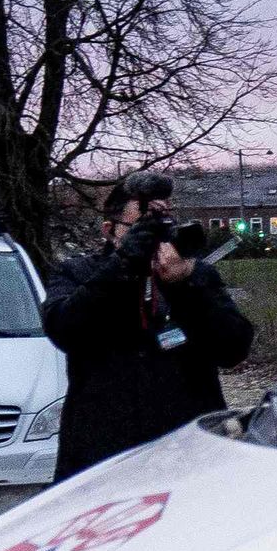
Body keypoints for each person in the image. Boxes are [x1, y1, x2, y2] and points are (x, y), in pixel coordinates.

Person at [42, 174, 254, 479]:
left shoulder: (195, 275)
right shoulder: (77, 273)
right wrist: (123, 265)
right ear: (109, 230)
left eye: (162, 226)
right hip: (103, 452)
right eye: (143, 227)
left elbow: (233, 348)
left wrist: (185, 288)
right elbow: (64, 329)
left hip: (186, 450)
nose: (156, 237)